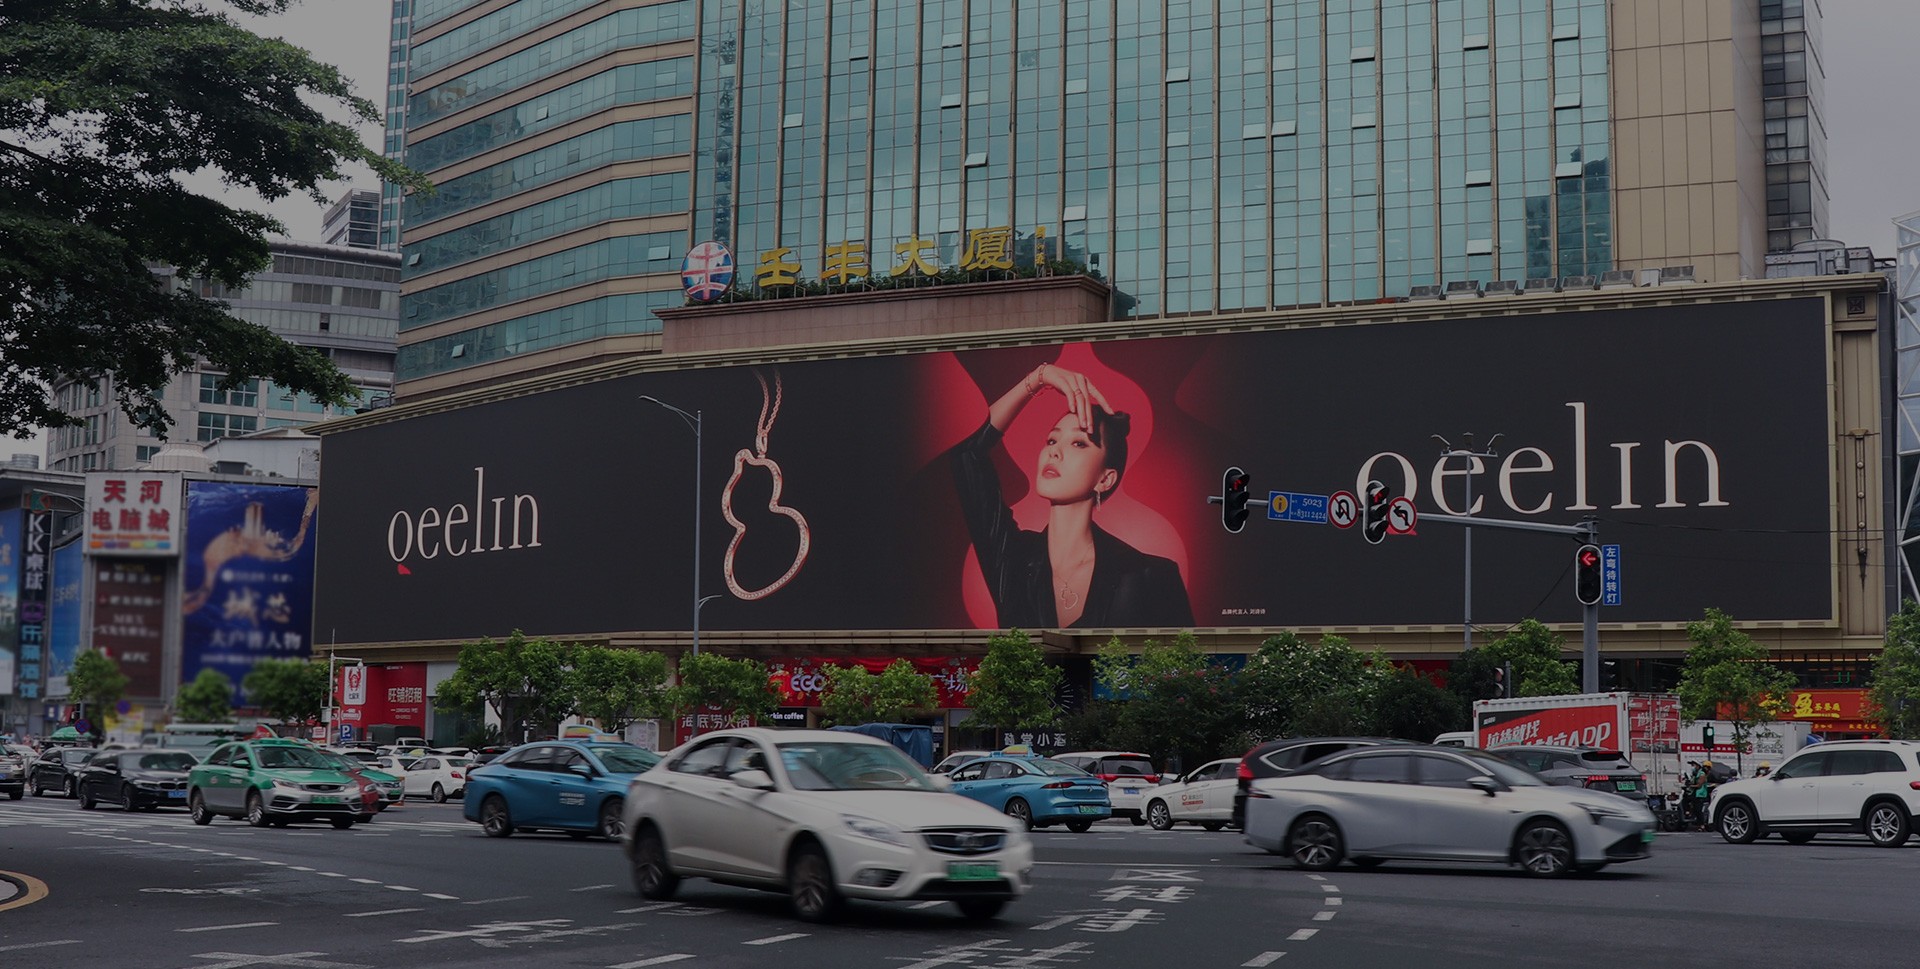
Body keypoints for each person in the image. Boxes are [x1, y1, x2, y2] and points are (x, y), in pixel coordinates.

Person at [950, 361, 1194, 628]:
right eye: (1052, 440)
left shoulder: (1149, 575)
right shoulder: (1014, 558)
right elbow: (967, 452)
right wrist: (1039, 378)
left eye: (1078, 443)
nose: (1054, 451)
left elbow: (1188, 657)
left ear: (1105, 479)